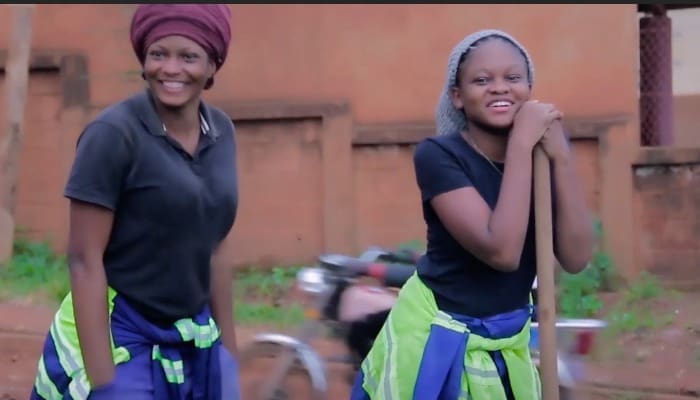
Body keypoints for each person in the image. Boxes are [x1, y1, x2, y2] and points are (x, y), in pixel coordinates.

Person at [350, 29, 595, 400]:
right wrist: (522, 142)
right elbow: (502, 251)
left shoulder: (541, 160)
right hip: (437, 341)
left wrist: (561, 158)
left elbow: (576, 259)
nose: (499, 88)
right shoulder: (438, 155)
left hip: (507, 341)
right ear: (457, 96)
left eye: (513, 77)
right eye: (482, 80)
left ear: (528, 88)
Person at [30, 4, 240, 399]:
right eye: (158, 54)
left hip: (193, 333)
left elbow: (215, 246)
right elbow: (84, 259)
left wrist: (227, 357)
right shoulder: (113, 135)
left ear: (213, 64)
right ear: (143, 59)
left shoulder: (221, 132)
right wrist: (106, 381)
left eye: (188, 57)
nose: (171, 69)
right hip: (123, 328)